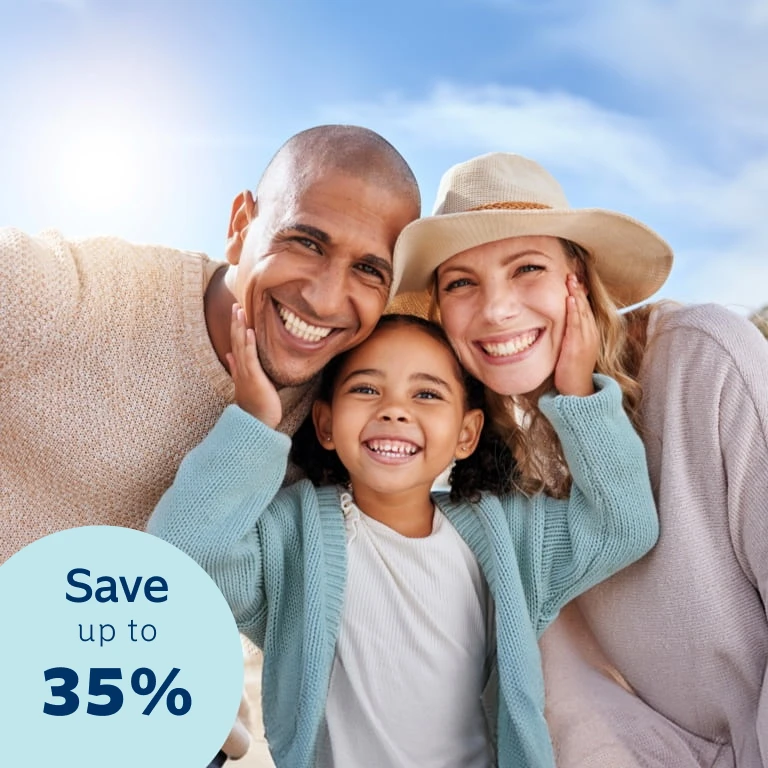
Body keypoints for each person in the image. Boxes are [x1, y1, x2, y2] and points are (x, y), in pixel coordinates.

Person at [0, 124, 421, 765]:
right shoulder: (73, 296)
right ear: (241, 222)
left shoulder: (349, 407)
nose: (326, 296)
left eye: (368, 269)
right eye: (305, 241)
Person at [148, 302, 658, 768]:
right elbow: (180, 561)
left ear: (466, 434)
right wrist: (256, 423)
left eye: (427, 394)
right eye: (366, 388)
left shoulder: (506, 537)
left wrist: (579, 393)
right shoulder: (290, 540)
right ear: (325, 424)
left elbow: (623, 525)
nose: (394, 409)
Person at [391, 151, 768, 767]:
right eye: (461, 283)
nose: (495, 310)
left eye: (527, 268)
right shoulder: (495, 462)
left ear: (579, 277)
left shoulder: (707, 361)